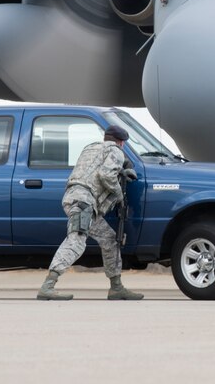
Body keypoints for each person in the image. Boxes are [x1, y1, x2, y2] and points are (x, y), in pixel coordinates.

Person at [37, 124, 144, 301]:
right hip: (84, 202)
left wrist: (123, 169)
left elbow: (95, 170)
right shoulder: (116, 151)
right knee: (76, 241)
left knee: (109, 239)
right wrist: (119, 195)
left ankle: (116, 288)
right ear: (121, 143)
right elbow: (106, 175)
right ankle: (48, 286)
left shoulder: (90, 148)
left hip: (77, 199)